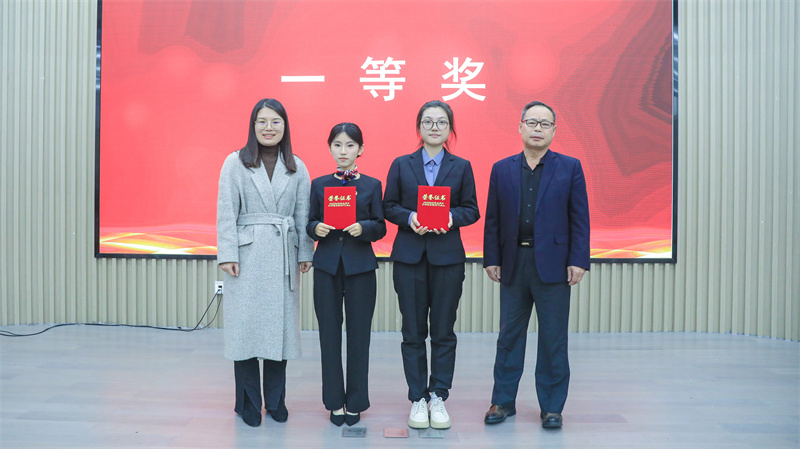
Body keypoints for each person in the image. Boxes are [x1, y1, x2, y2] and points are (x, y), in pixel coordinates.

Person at [482, 101, 590, 429]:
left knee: (553, 339)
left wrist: (578, 260)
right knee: (509, 337)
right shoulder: (502, 169)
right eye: (532, 122)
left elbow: (579, 219)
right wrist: (492, 258)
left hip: (554, 266)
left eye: (545, 124)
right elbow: (493, 220)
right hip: (513, 263)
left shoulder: (570, 167)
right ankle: (502, 401)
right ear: (520, 127)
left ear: (554, 130)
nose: (538, 129)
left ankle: (552, 407)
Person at [216, 98, 314, 427]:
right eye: (262, 121)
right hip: (246, 256)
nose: (268, 128)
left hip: (283, 255)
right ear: (253, 125)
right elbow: (226, 211)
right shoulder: (235, 162)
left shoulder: (297, 167)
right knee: (244, 330)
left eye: (275, 121)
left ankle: (275, 400)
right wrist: (228, 254)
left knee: (279, 332)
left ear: (285, 126)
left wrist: (305, 252)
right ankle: (247, 402)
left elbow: (302, 214)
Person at [383, 100, 480, 430]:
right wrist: (411, 217)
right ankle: (417, 397)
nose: (434, 127)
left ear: (450, 129)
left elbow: (471, 209)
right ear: (419, 127)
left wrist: (450, 218)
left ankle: (438, 395)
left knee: (443, 331)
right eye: (428, 121)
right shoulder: (401, 164)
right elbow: (388, 206)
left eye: (441, 122)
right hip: (409, 258)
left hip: (447, 259)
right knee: (412, 331)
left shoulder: (461, 166)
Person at [307, 123, 386, 427]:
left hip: (361, 268)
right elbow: (309, 221)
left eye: (350, 145)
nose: (343, 151)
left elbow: (380, 226)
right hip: (327, 268)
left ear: (360, 149)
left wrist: (363, 228)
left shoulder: (372, 185)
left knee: (359, 336)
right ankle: (333, 402)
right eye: (338, 145)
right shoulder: (319, 185)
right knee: (328, 335)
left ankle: (356, 401)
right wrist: (315, 228)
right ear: (330, 148)